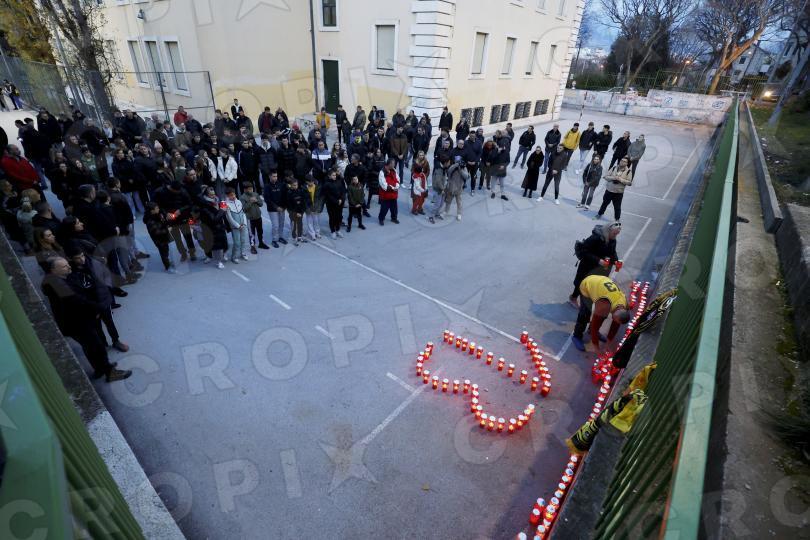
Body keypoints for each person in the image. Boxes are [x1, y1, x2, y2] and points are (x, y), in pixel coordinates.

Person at [41, 257, 132, 382]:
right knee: (97, 346)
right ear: (53, 270)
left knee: (89, 347)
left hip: (72, 322)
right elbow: (77, 301)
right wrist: (98, 308)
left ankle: (100, 369)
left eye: (67, 264)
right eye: (64, 266)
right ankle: (110, 372)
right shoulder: (58, 284)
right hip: (77, 323)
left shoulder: (53, 280)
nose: (69, 267)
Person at [64, 244, 129, 352]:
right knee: (97, 327)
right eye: (77, 258)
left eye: (82, 256)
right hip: (89, 305)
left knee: (110, 323)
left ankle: (116, 341)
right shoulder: (70, 272)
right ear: (70, 258)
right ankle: (103, 344)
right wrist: (92, 306)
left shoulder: (94, 263)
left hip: (103, 300)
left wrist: (108, 290)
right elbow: (76, 293)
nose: (82, 259)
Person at [570, 274, 631, 353]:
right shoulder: (604, 305)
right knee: (585, 314)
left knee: (602, 317)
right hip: (587, 285)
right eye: (614, 319)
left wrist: (609, 341)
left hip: (602, 284)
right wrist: (596, 347)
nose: (614, 321)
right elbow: (594, 326)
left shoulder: (624, 304)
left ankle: (590, 331)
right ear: (614, 315)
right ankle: (576, 336)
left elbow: (616, 324)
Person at [570, 222, 621, 307]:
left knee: (592, 286)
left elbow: (612, 252)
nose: (616, 235)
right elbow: (584, 251)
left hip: (600, 268)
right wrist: (598, 260)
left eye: (617, 234)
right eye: (614, 233)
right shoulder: (595, 238)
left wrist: (616, 261)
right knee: (581, 283)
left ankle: (585, 303)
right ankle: (573, 298)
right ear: (608, 231)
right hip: (587, 266)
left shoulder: (612, 239)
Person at [154, 180, 197, 261]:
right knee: (177, 238)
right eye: (176, 191)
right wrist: (166, 213)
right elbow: (158, 206)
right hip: (171, 219)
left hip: (182, 217)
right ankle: (183, 253)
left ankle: (192, 252)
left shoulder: (183, 191)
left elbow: (190, 204)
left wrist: (180, 210)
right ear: (171, 188)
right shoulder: (161, 192)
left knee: (188, 235)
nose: (178, 192)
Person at [595, 156, 633, 221]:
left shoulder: (628, 172)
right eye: (621, 160)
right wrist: (613, 178)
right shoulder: (614, 168)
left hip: (618, 193)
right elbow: (605, 176)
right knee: (604, 203)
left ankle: (617, 219)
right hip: (609, 190)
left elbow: (629, 183)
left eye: (624, 161)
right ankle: (599, 214)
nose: (622, 162)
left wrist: (621, 179)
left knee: (617, 207)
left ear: (627, 163)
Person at [143, 202, 175, 273]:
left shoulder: (157, 215)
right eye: (156, 208)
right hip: (159, 240)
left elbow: (162, 224)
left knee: (166, 250)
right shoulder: (150, 221)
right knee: (163, 253)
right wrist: (167, 230)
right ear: (152, 211)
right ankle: (167, 266)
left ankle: (168, 262)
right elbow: (156, 232)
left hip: (163, 237)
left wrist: (166, 220)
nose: (158, 209)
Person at [240, 182, 268, 253]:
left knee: (260, 231)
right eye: (249, 189)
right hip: (250, 219)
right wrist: (250, 201)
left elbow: (261, 204)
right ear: (245, 190)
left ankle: (261, 243)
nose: (251, 190)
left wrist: (257, 201)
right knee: (252, 233)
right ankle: (252, 246)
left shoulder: (255, 194)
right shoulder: (242, 197)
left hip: (258, 216)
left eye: (251, 188)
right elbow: (244, 208)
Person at [223, 187, 249, 263]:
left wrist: (244, 223)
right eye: (231, 195)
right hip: (235, 227)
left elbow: (243, 213)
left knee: (243, 240)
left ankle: (243, 253)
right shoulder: (227, 205)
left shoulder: (239, 202)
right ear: (227, 196)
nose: (233, 196)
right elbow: (229, 218)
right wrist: (238, 226)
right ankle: (234, 257)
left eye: (234, 194)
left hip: (243, 225)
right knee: (237, 243)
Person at [263, 171, 287, 248]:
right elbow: (267, 199)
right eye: (273, 176)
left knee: (281, 224)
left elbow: (284, 196)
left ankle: (280, 237)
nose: (275, 178)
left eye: (276, 176)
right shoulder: (267, 187)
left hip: (282, 208)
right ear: (269, 177)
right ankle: (274, 240)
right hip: (272, 209)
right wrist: (276, 207)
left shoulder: (281, 185)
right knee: (275, 225)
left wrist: (283, 207)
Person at [322, 169, 345, 239]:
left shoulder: (339, 181)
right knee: (332, 218)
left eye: (335, 175)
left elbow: (343, 191)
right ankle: (333, 231)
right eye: (333, 175)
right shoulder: (326, 184)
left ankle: (338, 230)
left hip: (339, 203)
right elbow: (328, 195)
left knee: (338, 217)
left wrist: (341, 199)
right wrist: (336, 201)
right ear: (329, 176)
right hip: (331, 204)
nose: (335, 176)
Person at [284, 177, 307, 245]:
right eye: (294, 185)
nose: (295, 186)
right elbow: (289, 205)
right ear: (291, 185)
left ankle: (299, 236)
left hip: (300, 212)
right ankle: (294, 238)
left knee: (300, 224)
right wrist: (296, 212)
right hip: (293, 212)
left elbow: (303, 202)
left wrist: (301, 211)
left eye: (296, 185)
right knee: (294, 224)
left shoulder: (300, 191)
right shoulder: (289, 193)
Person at [377, 158, 400, 226]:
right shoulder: (382, 172)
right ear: (389, 164)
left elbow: (398, 179)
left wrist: (397, 186)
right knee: (384, 209)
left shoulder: (394, 170)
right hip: (385, 195)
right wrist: (393, 188)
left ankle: (394, 218)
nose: (394, 165)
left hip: (393, 194)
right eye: (393, 163)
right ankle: (381, 219)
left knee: (394, 209)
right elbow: (384, 185)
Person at [304, 175, 323, 240]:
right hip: (308, 208)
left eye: (312, 181)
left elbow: (319, 198)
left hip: (315, 207)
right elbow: (304, 200)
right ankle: (312, 234)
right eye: (310, 182)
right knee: (309, 222)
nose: (312, 183)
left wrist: (317, 207)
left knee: (316, 221)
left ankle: (317, 233)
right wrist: (307, 209)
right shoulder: (304, 188)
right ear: (306, 182)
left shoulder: (317, 187)